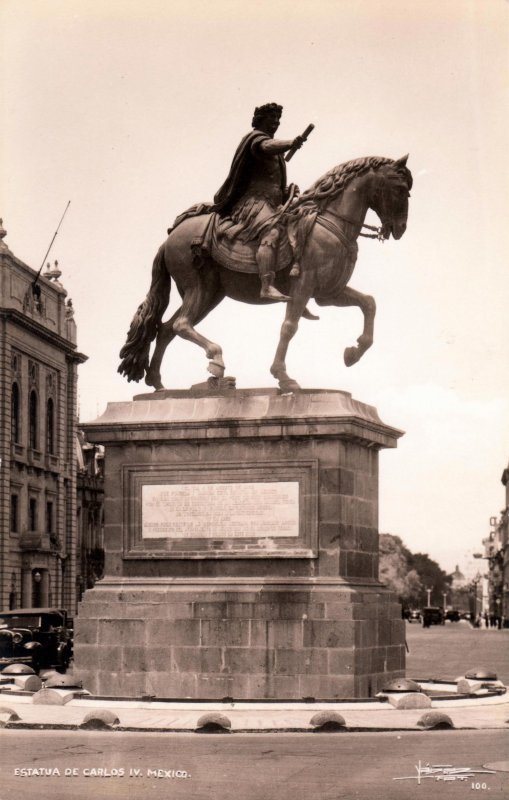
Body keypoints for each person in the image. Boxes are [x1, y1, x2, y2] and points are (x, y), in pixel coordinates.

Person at [213, 103, 304, 302]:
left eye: (278, 120)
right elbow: (264, 147)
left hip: (272, 202)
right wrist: (291, 143)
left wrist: (286, 191)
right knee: (271, 230)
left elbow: (271, 180)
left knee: (300, 225)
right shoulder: (254, 139)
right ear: (261, 120)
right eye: (272, 120)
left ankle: (296, 287)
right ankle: (267, 285)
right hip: (252, 202)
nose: (276, 124)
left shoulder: (275, 151)